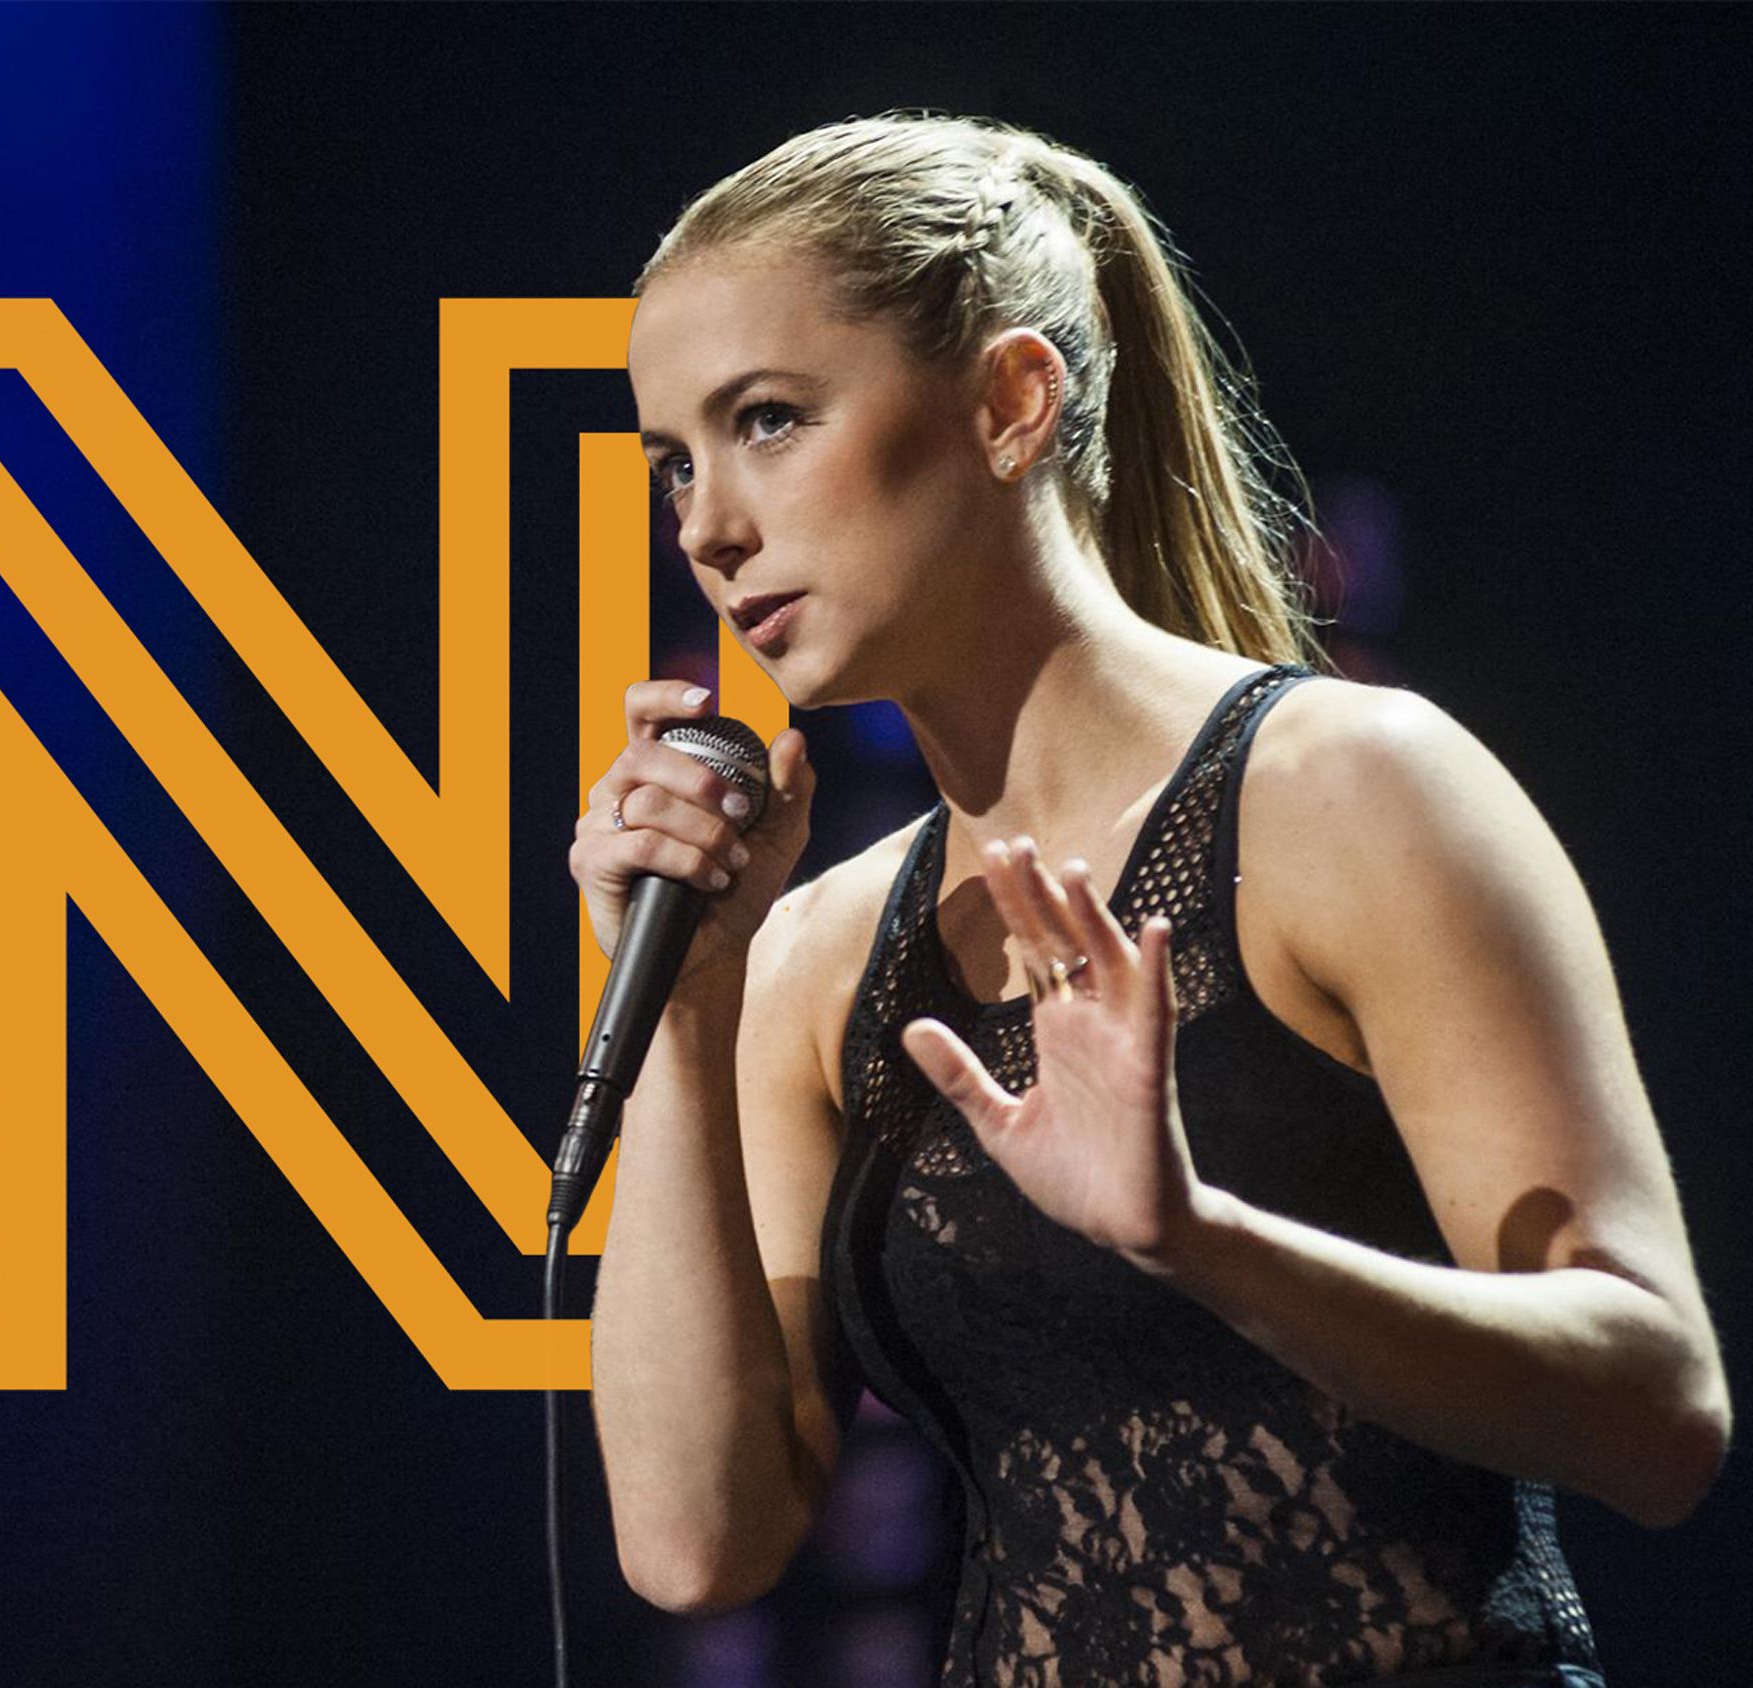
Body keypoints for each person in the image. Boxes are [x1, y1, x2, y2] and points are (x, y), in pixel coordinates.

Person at [573, 111, 1729, 1686]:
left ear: (1010, 402)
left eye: (768, 420)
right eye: (674, 464)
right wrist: (688, 1000)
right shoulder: (815, 957)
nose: (707, 527)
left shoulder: (1351, 792)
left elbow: (1660, 1415)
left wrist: (1198, 1238)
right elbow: (696, 1542)